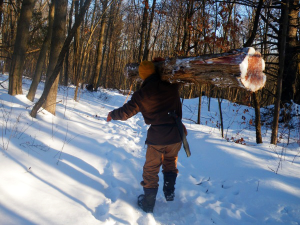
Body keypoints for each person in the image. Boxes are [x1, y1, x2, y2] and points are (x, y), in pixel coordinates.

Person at [107, 61, 186, 213]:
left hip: (158, 138)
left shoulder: (142, 95)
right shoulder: (172, 86)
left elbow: (125, 113)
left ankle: (148, 204)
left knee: (151, 169)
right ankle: (169, 191)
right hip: (176, 135)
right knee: (170, 161)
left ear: (142, 77)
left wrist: (112, 114)